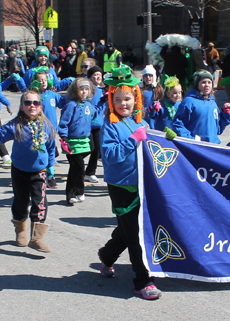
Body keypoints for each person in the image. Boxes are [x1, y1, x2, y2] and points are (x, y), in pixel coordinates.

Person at [97, 65, 162, 300]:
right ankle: (143, 281)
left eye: (128, 98)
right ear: (111, 100)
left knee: (128, 229)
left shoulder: (138, 123)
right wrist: (133, 140)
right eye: (118, 99)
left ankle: (106, 255)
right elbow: (111, 155)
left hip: (141, 185)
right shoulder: (110, 126)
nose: (124, 103)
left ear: (136, 99)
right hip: (121, 187)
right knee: (136, 235)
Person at [0, 89, 56, 253]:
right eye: (28, 103)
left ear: (40, 106)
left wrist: (51, 165)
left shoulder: (46, 125)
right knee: (21, 201)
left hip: (39, 171)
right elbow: (0, 135)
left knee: (40, 203)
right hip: (19, 170)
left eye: (36, 103)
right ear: (22, 106)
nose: (32, 105)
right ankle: (21, 232)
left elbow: (51, 146)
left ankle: (36, 238)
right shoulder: (16, 124)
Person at [58, 78, 95, 205]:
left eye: (86, 89)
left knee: (74, 168)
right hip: (72, 141)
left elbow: (95, 115)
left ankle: (71, 194)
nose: (84, 92)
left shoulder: (89, 105)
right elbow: (63, 123)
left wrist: (104, 102)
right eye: (81, 89)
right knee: (79, 166)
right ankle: (79, 191)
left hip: (84, 140)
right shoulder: (71, 105)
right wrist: (63, 137)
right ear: (75, 90)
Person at [28, 68, 66, 188]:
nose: (43, 82)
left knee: (51, 152)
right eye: (40, 80)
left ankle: (50, 175)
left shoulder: (53, 95)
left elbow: (64, 103)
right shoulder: (34, 97)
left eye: (45, 79)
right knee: (40, 152)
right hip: (38, 130)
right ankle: (38, 173)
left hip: (51, 130)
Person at [172, 69, 230, 143]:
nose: (207, 85)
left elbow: (217, 129)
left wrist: (225, 115)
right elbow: (178, 123)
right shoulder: (189, 101)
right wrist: (190, 138)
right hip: (196, 145)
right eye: (203, 82)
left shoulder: (212, 103)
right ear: (197, 85)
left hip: (213, 145)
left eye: (209, 82)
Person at [84, 65, 106, 184]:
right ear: (90, 77)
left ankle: (89, 173)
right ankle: (77, 163)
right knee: (89, 148)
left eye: (99, 75)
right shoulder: (89, 90)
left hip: (98, 124)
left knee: (97, 149)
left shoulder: (104, 90)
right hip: (88, 124)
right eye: (95, 75)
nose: (97, 77)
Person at [140, 65, 164, 129]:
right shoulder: (140, 89)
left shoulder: (158, 89)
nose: (148, 77)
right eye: (145, 76)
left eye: (150, 75)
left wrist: (159, 106)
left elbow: (163, 101)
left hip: (155, 119)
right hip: (143, 117)